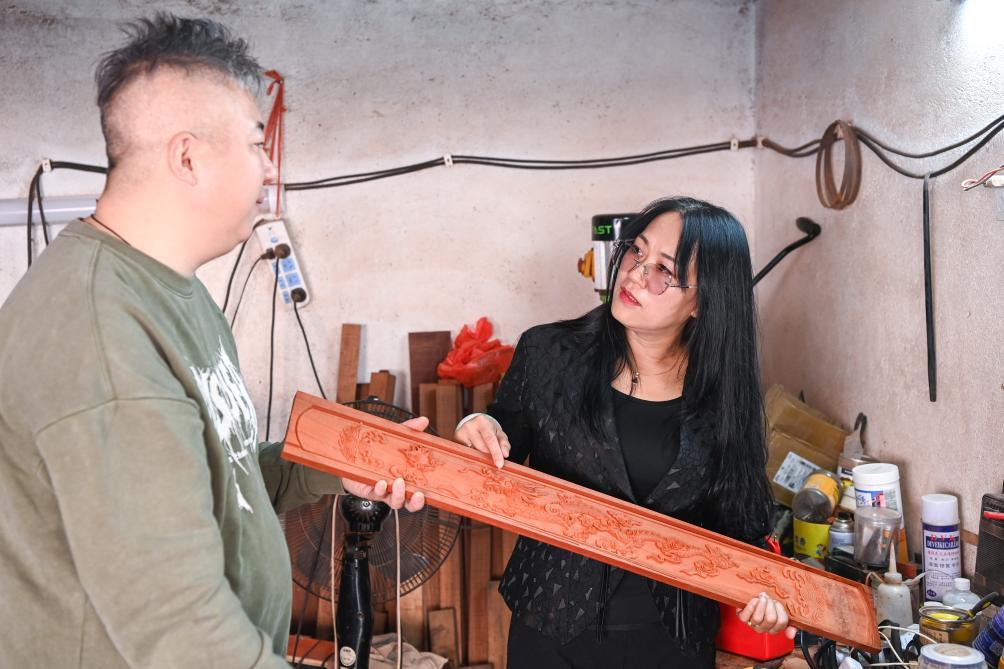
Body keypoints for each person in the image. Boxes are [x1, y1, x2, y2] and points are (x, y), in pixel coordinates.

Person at [0, 14, 424, 668]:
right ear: (188, 157)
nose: (269, 167)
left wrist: (334, 464)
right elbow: (177, 625)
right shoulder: (100, 332)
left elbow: (226, 478)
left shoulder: (177, 291)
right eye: (256, 143)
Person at [455, 196, 797, 668]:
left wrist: (767, 592)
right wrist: (477, 426)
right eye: (637, 251)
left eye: (664, 269)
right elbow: (502, 434)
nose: (635, 274)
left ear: (702, 302)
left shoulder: (724, 397)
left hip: (672, 643)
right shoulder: (549, 352)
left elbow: (745, 525)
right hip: (549, 628)